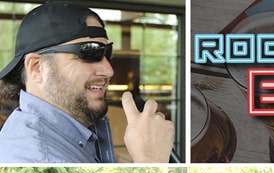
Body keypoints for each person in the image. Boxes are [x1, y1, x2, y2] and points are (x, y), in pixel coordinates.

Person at [0, 2, 174, 163]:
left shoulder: (74, 133)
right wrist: (150, 159)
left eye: (107, 53)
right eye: (89, 53)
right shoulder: (39, 157)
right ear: (38, 68)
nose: (109, 70)